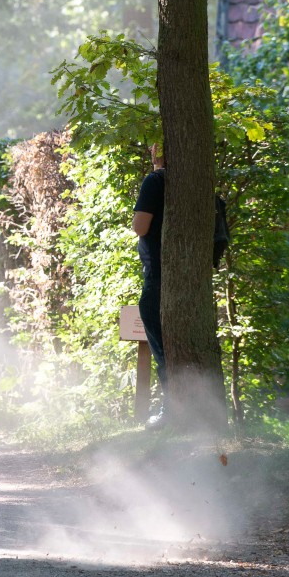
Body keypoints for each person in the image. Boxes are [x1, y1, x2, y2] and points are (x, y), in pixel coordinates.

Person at [133, 143, 166, 424]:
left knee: (162, 343)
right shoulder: (198, 180)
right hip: (180, 274)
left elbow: (140, 226)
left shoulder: (156, 181)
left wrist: (155, 170)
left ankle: (173, 409)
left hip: (157, 273)